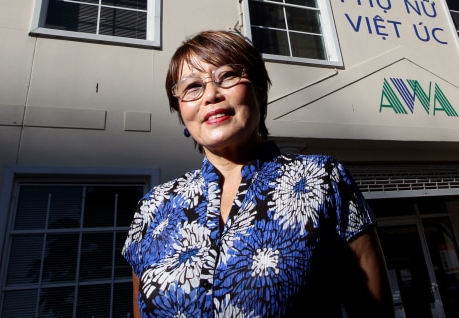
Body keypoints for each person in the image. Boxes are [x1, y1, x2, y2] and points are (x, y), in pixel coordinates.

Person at [122, 30, 394, 318]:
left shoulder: (323, 178)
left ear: (260, 91)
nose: (211, 95)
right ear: (180, 112)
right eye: (191, 87)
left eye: (226, 76)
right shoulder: (152, 208)